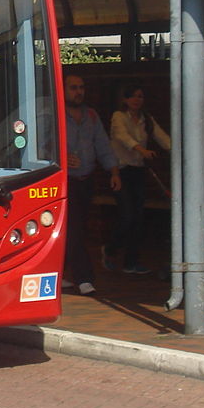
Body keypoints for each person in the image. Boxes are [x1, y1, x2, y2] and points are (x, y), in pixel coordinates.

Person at [63, 73, 121, 295]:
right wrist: (61, 156)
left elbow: (103, 145)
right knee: (74, 229)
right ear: (64, 89)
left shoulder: (91, 116)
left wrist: (114, 172)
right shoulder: (54, 114)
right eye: (73, 88)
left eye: (81, 87)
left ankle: (59, 273)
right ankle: (84, 277)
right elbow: (41, 145)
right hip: (64, 181)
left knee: (77, 228)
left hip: (85, 180)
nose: (79, 92)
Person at [105, 85, 171, 275]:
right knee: (127, 215)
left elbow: (161, 136)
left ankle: (131, 261)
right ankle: (111, 249)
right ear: (125, 99)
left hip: (138, 171)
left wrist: (176, 149)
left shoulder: (146, 119)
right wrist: (141, 150)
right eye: (133, 96)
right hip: (120, 171)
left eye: (140, 96)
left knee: (138, 217)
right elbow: (122, 137)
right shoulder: (118, 117)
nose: (137, 100)